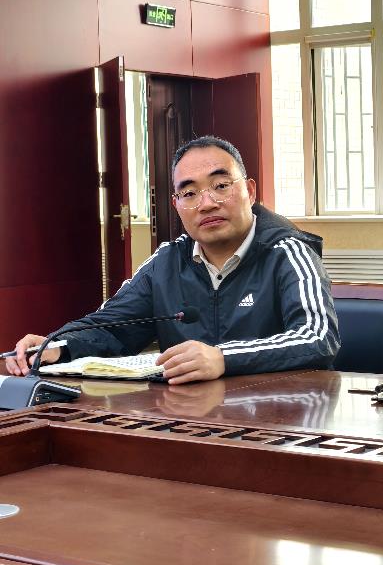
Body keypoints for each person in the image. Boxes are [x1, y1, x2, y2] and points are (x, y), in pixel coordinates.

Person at [6, 136, 339, 384]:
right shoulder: (166, 263)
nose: (207, 203)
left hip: (280, 419)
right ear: (177, 205)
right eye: (190, 193)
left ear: (250, 192)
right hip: (187, 419)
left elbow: (317, 337)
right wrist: (58, 345)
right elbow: (112, 327)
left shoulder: (289, 252)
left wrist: (223, 358)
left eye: (221, 186)